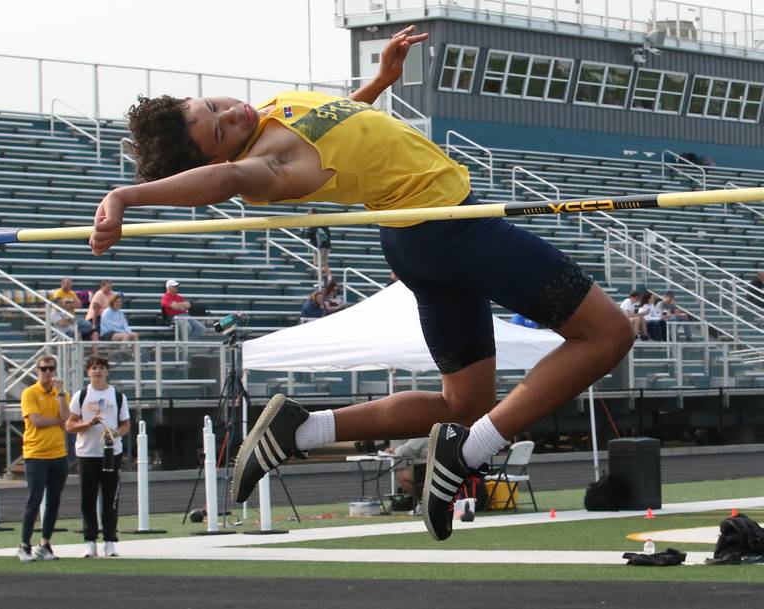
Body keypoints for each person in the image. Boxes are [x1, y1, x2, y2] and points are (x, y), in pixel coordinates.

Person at [88, 26, 633, 542]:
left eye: (214, 104)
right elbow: (225, 181)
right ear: (216, 155)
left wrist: (376, 86)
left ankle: (299, 431)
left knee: (463, 403)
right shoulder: (263, 167)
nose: (232, 112)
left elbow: (338, 128)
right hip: (453, 231)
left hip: (419, 241)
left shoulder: (269, 115)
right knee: (607, 335)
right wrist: (124, 198)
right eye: (220, 129)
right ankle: (469, 454)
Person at [66, 356, 131, 558]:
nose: (97, 372)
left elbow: (126, 424)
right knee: (88, 497)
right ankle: (90, 540)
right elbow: (69, 425)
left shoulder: (118, 396)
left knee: (111, 498)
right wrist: (88, 424)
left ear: (107, 371)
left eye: (101, 368)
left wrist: (114, 434)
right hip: (87, 453)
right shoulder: (81, 395)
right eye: (94, 368)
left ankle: (110, 540)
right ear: (88, 372)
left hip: (111, 453)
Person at [17, 355, 70, 562]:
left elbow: (66, 419)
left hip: (58, 453)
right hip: (36, 453)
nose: (48, 372)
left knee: (54, 501)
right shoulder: (29, 393)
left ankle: (45, 543)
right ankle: (24, 544)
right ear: (37, 371)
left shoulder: (60, 394)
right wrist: (57, 420)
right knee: (35, 499)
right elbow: (37, 421)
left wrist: (62, 394)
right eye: (44, 369)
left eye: (51, 369)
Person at [386, 437, 429, 513]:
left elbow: (406, 450)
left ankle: (423, 503)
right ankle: (422, 503)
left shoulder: (422, 434)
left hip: (425, 468)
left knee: (401, 476)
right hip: (431, 467)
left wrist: (393, 451)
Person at [302, 208, 332, 285]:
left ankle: (321, 281)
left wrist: (304, 229)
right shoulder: (322, 220)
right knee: (324, 263)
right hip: (327, 245)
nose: (308, 215)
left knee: (317, 264)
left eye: (309, 214)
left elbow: (310, 233)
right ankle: (330, 279)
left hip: (319, 246)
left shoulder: (315, 221)